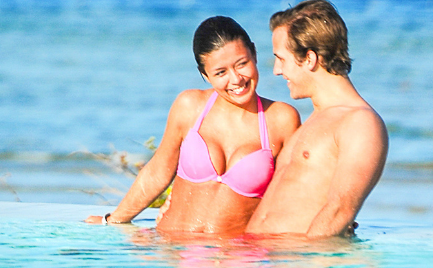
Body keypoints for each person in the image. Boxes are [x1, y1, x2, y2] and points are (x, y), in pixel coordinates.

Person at [86, 16, 301, 234]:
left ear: (254, 54)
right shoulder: (190, 106)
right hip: (173, 246)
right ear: (204, 74)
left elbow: (294, 193)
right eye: (221, 72)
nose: (236, 79)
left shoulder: (281, 119)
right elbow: (158, 171)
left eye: (242, 64)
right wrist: (112, 220)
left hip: (240, 251)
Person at [245, 0, 389, 238]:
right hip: (260, 252)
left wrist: (303, 255)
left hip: (295, 255)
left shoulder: (360, 123)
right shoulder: (311, 122)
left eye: (281, 59)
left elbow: (339, 211)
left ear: (309, 59)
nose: (277, 70)